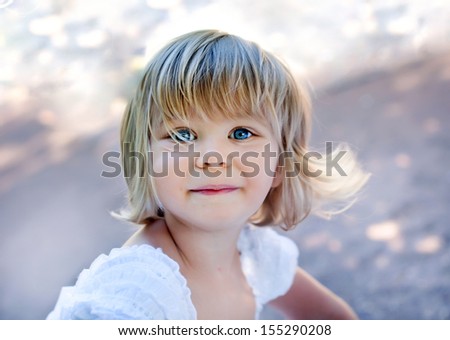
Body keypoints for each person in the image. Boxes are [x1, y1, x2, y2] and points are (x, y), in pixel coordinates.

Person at [47, 29, 369, 320]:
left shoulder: (255, 255)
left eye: (241, 133)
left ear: (280, 165)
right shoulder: (137, 296)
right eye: (183, 135)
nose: (212, 159)